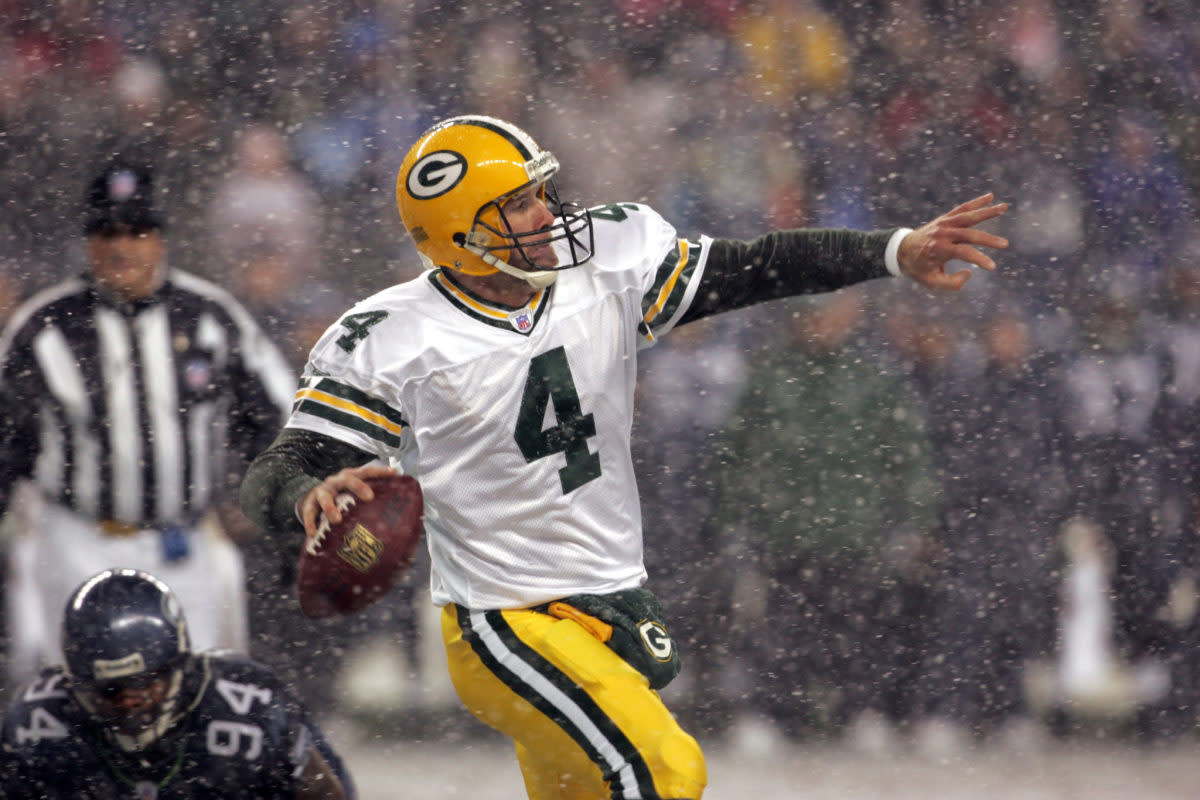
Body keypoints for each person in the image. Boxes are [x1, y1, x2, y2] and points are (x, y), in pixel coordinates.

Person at [240, 114, 1008, 799]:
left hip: (611, 596)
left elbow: (757, 264)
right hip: (504, 622)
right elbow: (279, 468)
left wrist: (894, 251)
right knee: (664, 771)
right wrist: (306, 493)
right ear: (458, 232)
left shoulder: (603, 261)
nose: (546, 213)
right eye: (517, 204)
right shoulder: (394, 337)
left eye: (541, 192)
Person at [0, 157, 296, 690]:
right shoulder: (43, 328)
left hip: (182, 542)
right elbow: (5, 444)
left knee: (203, 694)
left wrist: (285, 512)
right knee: (79, 696)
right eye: (107, 232)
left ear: (160, 238)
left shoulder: (209, 314)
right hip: (77, 539)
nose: (122, 247)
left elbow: (274, 417)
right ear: (87, 241)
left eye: (137, 231)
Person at [0, 567, 354, 798]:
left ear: (178, 667)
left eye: (144, 683)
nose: (129, 701)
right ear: (76, 683)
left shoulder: (252, 709)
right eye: (110, 690)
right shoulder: (37, 725)